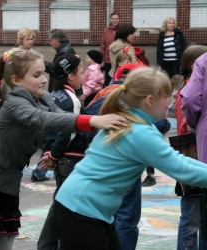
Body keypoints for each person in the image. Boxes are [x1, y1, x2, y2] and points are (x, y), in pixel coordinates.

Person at [0, 48, 127, 250]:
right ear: (17, 80)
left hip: (7, 183)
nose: (44, 79)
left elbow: (61, 118)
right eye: (36, 75)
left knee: (4, 243)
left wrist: (97, 118)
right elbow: (42, 119)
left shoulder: (44, 98)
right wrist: (94, 119)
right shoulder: (14, 102)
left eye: (43, 73)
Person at [53, 67, 207, 249]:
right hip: (83, 211)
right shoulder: (139, 133)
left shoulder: (130, 121)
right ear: (150, 100)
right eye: (166, 96)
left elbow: (180, 162)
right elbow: (183, 170)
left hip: (83, 207)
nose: (171, 100)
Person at [37, 54, 88, 250]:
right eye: (81, 72)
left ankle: (46, 245)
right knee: (68, 209)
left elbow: (44, 128)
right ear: (70, 76)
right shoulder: (71, 100)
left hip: (59, 159)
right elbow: (69, 132)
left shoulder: (51, 97)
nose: (82, 77)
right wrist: (55, 154)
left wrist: (48, 152)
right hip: (70, 160)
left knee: (60, 205)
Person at [175, 45, 207, 250]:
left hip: (196, 157)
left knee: (197, 218)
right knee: (191, 219)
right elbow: (183, 126)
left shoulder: (193, 87)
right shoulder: (185, 93)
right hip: (192, 160)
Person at [100, 11, 120, 86]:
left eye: (116, 19)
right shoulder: (106, 31)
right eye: (113, 19)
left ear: (119, 20)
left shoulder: (122, 30)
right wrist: (102, 60)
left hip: (119, 59)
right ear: (111, 20)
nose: (114, 20)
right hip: (108, 59)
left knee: (118, 80)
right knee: (108, 81)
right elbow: (103, 45)